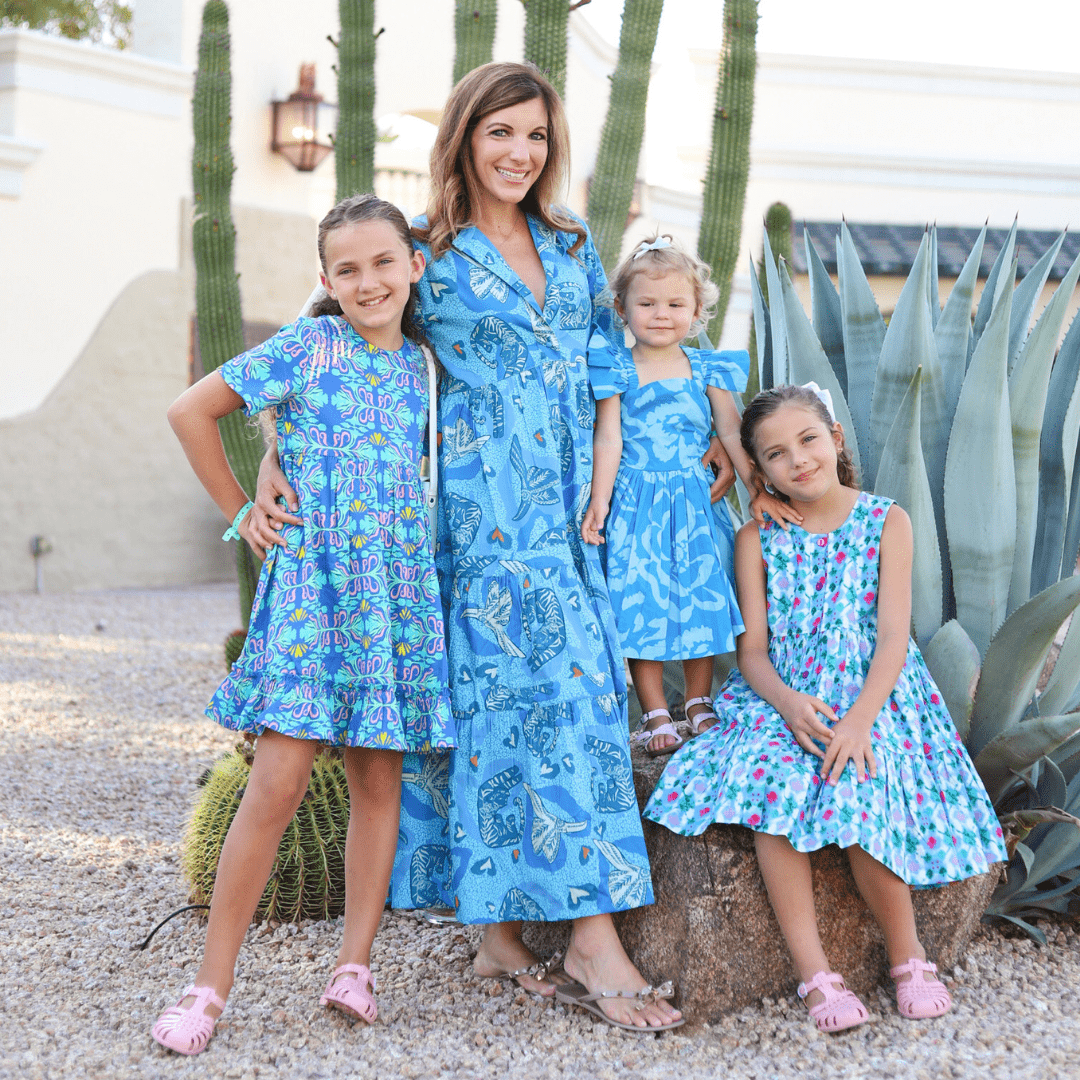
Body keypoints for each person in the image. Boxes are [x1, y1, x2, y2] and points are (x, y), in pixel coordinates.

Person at [254, 62, 688, 1032]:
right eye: (500, 134)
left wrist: (607, 479)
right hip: (473, 520)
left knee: (567, 694)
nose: (519, 153)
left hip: (570, 518)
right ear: (464, 138)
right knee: (517, 706)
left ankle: (510, 932)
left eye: (535, 136)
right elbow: (316, 349)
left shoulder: (570, 242)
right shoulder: (422, 253)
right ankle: (582, 935)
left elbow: (606, 370)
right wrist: (270, 464)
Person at [153, 194, 455, 1055]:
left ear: (414, 266)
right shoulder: (310, 345)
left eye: (385, 263)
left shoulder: (426, 367)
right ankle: (210, 985)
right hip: (313, 595)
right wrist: (243, 505)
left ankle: (355, 964)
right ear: (326, 279)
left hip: (393, 599)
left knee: (377, 780)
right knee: (278, 783)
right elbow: (190, 410)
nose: (369, 282)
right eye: (348, 269)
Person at [643, 383, 1007, 1032]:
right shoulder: (756, 540)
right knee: (772, 796)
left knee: (856, 782)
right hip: (783, 697)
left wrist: (862, 719)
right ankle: (815, 973)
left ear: (835, 438)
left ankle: (908, 956)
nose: (798, 460)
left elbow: (895, 636)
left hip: (876, 695)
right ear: (759, 469)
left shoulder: (886, 520)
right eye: (776, 454)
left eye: (808, 440)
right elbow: (752, 652)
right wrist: (785, 704)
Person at [581, 235, 800, 756]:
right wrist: (599, 502)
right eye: (647, 304)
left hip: (696, 505)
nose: (661, 315)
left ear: (697, 310)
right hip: (637, 505)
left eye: (676, 304)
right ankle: (655, 709)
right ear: (622, 308)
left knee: (700, 601)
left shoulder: (707, 370)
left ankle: (698, 702)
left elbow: (730, 431)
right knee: (641, 603)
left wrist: (756, 492)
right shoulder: (617, 367)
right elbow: (608, 437)